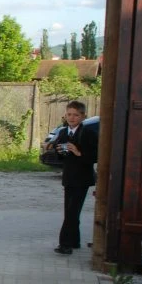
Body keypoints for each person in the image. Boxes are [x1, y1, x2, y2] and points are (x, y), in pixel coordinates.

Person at [50, 100, 98, 255]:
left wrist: (78, 152)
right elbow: (60, 157)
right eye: (69, 114)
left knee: (72, 211)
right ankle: (75, 241)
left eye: (76, 115)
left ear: (83, 116)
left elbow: (95, 156)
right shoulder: (63, 132)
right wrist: (59, 150)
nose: (72, 118)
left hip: (82, 178)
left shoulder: (88, 133)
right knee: (71, 211)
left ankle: (65, 244)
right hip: (69, 177)